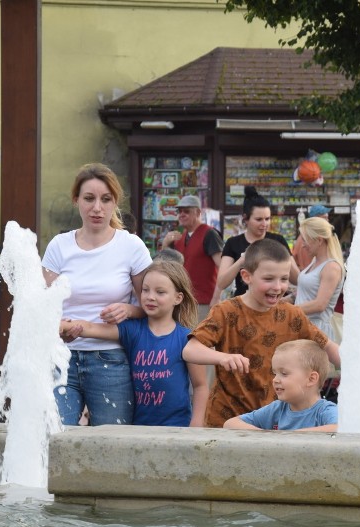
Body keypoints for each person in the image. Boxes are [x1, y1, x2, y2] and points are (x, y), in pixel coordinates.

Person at [183, 239, 341, 427]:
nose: (278, 286)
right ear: (246, 276)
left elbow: (329, 347)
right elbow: (190, 350)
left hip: (271, 422)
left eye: (283, 279)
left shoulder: (292, 314)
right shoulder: (225, 311)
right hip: (226, 421)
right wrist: (222, 357)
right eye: (268, 279)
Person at [43, 163, 153, 426]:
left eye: (106, 199)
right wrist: (57, 325)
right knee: (55, 443)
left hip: (111, 360)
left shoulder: (131, 246)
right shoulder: (59, 246)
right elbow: (42, 307)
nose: (97, 208)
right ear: (76, 200)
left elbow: (153, 306)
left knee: (112, 446)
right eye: (89, 199)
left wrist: (129, 310)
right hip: (61, 358)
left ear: (115, 202)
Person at [58, 261, 208, 427]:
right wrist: (63, 326)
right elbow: (91, 327)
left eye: (160, 292)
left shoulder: (187, 338)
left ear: (178, 298)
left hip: (177, 427)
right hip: (138, 428)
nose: (150, 296)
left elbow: (200, 385)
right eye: (145, 290)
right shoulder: (133, 330)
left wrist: (196, 425)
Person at [223, 340, 338, 431]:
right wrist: (267, 437)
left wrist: (293, 436)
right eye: (275, 373)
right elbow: (230, 424)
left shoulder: (325, 411)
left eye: (284, 373)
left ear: (311, 379)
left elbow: (338, 429)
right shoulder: (277, 409)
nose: (275, 380)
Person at [216, 186, 297, 300]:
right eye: (259, 219)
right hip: (243, 304)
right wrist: (241, 261)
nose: (264, 224)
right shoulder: (233, 243)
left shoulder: (278, 240)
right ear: (246, 219)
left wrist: (285, 259)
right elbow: (221, 283)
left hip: (272, 303)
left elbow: (296, 279)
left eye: (267, 219)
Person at [157, 195, 224, 319]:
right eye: (179, 211)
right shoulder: (180, 237)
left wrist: (217, 297)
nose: (181, 214)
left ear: (198, 212)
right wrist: (165, 245)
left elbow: (223, 267)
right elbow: (168, 268)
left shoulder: (209, 234)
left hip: (204, 302)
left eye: (186, 211)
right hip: (182, 301)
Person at [294, 216, 345, 341]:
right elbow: (308, 293)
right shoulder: (315, 261)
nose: (303, 245)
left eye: (305, 240)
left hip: (316, 331)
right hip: (304, 326)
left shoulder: (331, 267)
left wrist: (286, 310)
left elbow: (320, 304)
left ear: (319, 240)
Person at [292, 204, 331, 270]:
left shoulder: (304, 236)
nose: (328, 221)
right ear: (316, 219)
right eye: (325, 218)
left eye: (327, 218)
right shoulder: (310, 238)